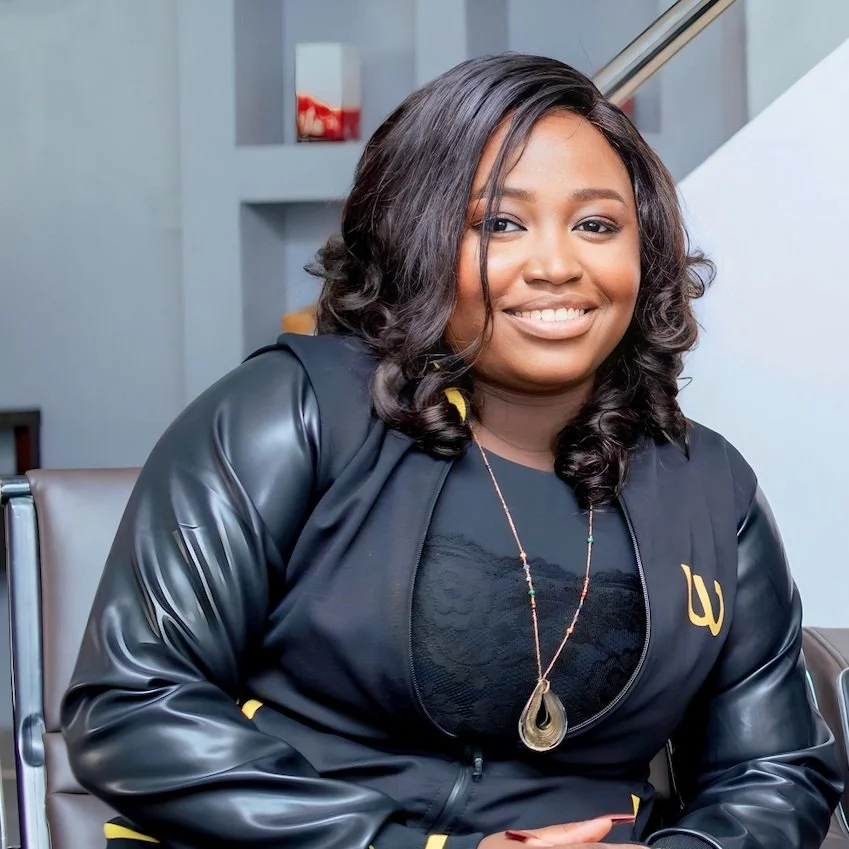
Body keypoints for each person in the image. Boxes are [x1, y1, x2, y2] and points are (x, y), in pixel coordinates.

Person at [62, 53, 842, 849]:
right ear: (416, 239)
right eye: (498, 224)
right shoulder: (293, 411)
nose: (555, 266)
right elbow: (135, 705)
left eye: (595, 225)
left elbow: (775, 768)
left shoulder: (708, 489)